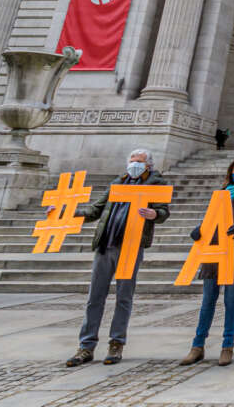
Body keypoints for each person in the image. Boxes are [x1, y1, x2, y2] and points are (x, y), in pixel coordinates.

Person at [63, 148, 171, 367]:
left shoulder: (156, 184)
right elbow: (95, 210)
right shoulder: (117, 183)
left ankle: (116, 343)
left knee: (123, 297)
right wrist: (65, 212)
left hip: (131, 245)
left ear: (148, 165)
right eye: (132, 160)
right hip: (106, 243)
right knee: (95, 296)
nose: (134, 164)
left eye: (139, 162)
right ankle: (86, 346)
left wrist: (155, 214)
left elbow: (163, 211)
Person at [180, 156, 234, 367]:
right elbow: (210, 216)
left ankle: (227, 346)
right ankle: (197, 346)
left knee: (231, 300)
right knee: (208, 300)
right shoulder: (221, 193)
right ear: (230, 171)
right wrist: (200, 230)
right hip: (213, 249)